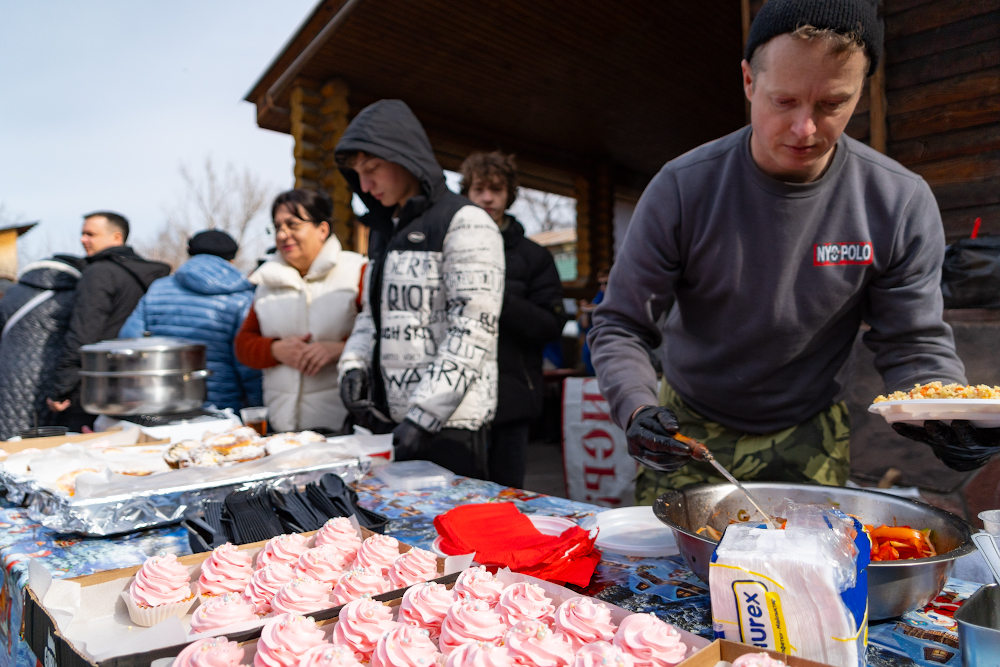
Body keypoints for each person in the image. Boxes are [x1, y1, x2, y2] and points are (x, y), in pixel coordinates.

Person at [589, 0, 998, 505]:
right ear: (748, 82)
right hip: (687, 426)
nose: (805, 129)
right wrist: (635, 408)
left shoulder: (896, 200)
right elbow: (621, 323)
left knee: (810, 574)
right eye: (784, 101)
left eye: (832, 104)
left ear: (862, 89)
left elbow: (913, 341)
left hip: (813, 429)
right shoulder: (683, 187)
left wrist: (949, 417)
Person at [335, 99, 505, 478]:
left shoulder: (465, 221)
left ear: (404, 157)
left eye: (372, 168)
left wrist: (425, 415)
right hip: (390, 424)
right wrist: (353, 365)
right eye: (358, 174)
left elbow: (473, 328)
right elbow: (372, 314)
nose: (364, 185)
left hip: (450, 429)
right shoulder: (384, 231)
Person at [460, 151, 566, 488]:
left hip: (513, 396)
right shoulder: (450, 247)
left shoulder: (534, 257)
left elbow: (551, 325)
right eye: (479, 189)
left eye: (496, 189)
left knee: (507, 494)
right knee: (461, 494)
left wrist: (498, 298)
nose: (488, 197)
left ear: (509, 195)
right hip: (456, 395)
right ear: (467, 193)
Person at [235, 189, 366, 433]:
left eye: (293, 225)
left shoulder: (357, 271)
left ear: (322, 229)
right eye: (277, 227)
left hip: (343, 425)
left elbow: (379, 337)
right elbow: (243, 345)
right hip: (281, 425)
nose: (283, 235)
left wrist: (340, 349)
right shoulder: (267, 281)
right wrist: (275, 350)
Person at [49, 212, 170, 431]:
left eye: (90, 234)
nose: (83, 240)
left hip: (97, 387)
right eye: (82, 234)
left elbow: (83, 333)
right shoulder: (152, 277)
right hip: (143, 387)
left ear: (116, 237)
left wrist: (62, 389)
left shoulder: (99, 273)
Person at [119, 230, 262, 413]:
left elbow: (130, 341)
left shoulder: (159, 288)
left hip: (161, 401)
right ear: (231, 260)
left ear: (189, 253)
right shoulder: (242, 297)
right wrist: (256, 405)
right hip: (221, 406)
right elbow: (248, 363)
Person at [0, 255, 86, 440]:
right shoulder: (71, 297)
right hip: (46, 375)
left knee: (7, 434)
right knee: (38, 442)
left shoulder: (13, 292)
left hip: (6, 371)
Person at [577, 268, 609, 376]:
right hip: (593, 349)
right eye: (600, 283)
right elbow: (584, 324)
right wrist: (585, 311)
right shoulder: (600, 295)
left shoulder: (620, 296)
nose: (602, 286)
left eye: (606, 283)